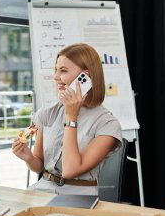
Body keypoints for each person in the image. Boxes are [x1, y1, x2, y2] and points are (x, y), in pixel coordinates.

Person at [12, 43, 122, 195]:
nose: (56, 77)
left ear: (85, 77)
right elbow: (39, 165)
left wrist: (71, 116)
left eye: (63, 71)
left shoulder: (107, 124)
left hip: (78, 196)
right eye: (56, 70)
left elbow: (70, 170)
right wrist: (28, 158)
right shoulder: (47, 113)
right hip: (42, 189)